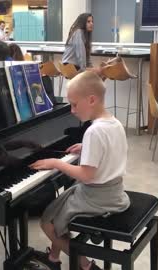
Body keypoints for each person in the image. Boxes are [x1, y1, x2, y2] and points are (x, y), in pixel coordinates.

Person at [30, 71, 130, 270]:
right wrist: (86, 148)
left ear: (91, 100)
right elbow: (111, 149)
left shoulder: (93, 131)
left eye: (74, 104)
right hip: (114, 193)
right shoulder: (114, 123)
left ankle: (85, 265)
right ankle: (53, 258)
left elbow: (86, 175)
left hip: (96, 198)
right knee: (59, 205)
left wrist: (56, 163)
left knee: (47, 221)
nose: (72, 110)